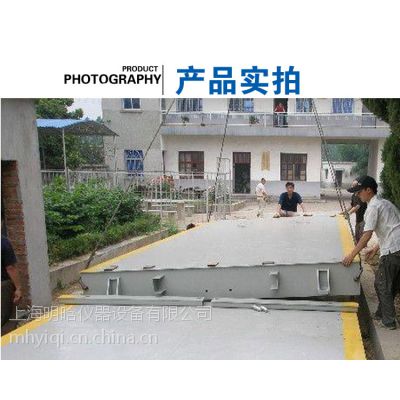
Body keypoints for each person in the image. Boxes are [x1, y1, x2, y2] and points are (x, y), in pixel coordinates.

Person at [342, 176, 400, 330]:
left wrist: (351, 255)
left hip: (393, 250)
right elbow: (392, 228)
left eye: (359, 191)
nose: (357, 195)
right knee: (391, 283)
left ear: (368, 190)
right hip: (396, 247)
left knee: (381, 284)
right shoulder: (385, 203)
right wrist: (375, 249)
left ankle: (389, 321)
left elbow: (366, 235)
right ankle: (382, 313)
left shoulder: (373, 207)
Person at [1, 230, 22, 328]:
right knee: (7, 319)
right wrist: (18, 288)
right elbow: (10, 268)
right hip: (3, 285)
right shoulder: (3, 242)